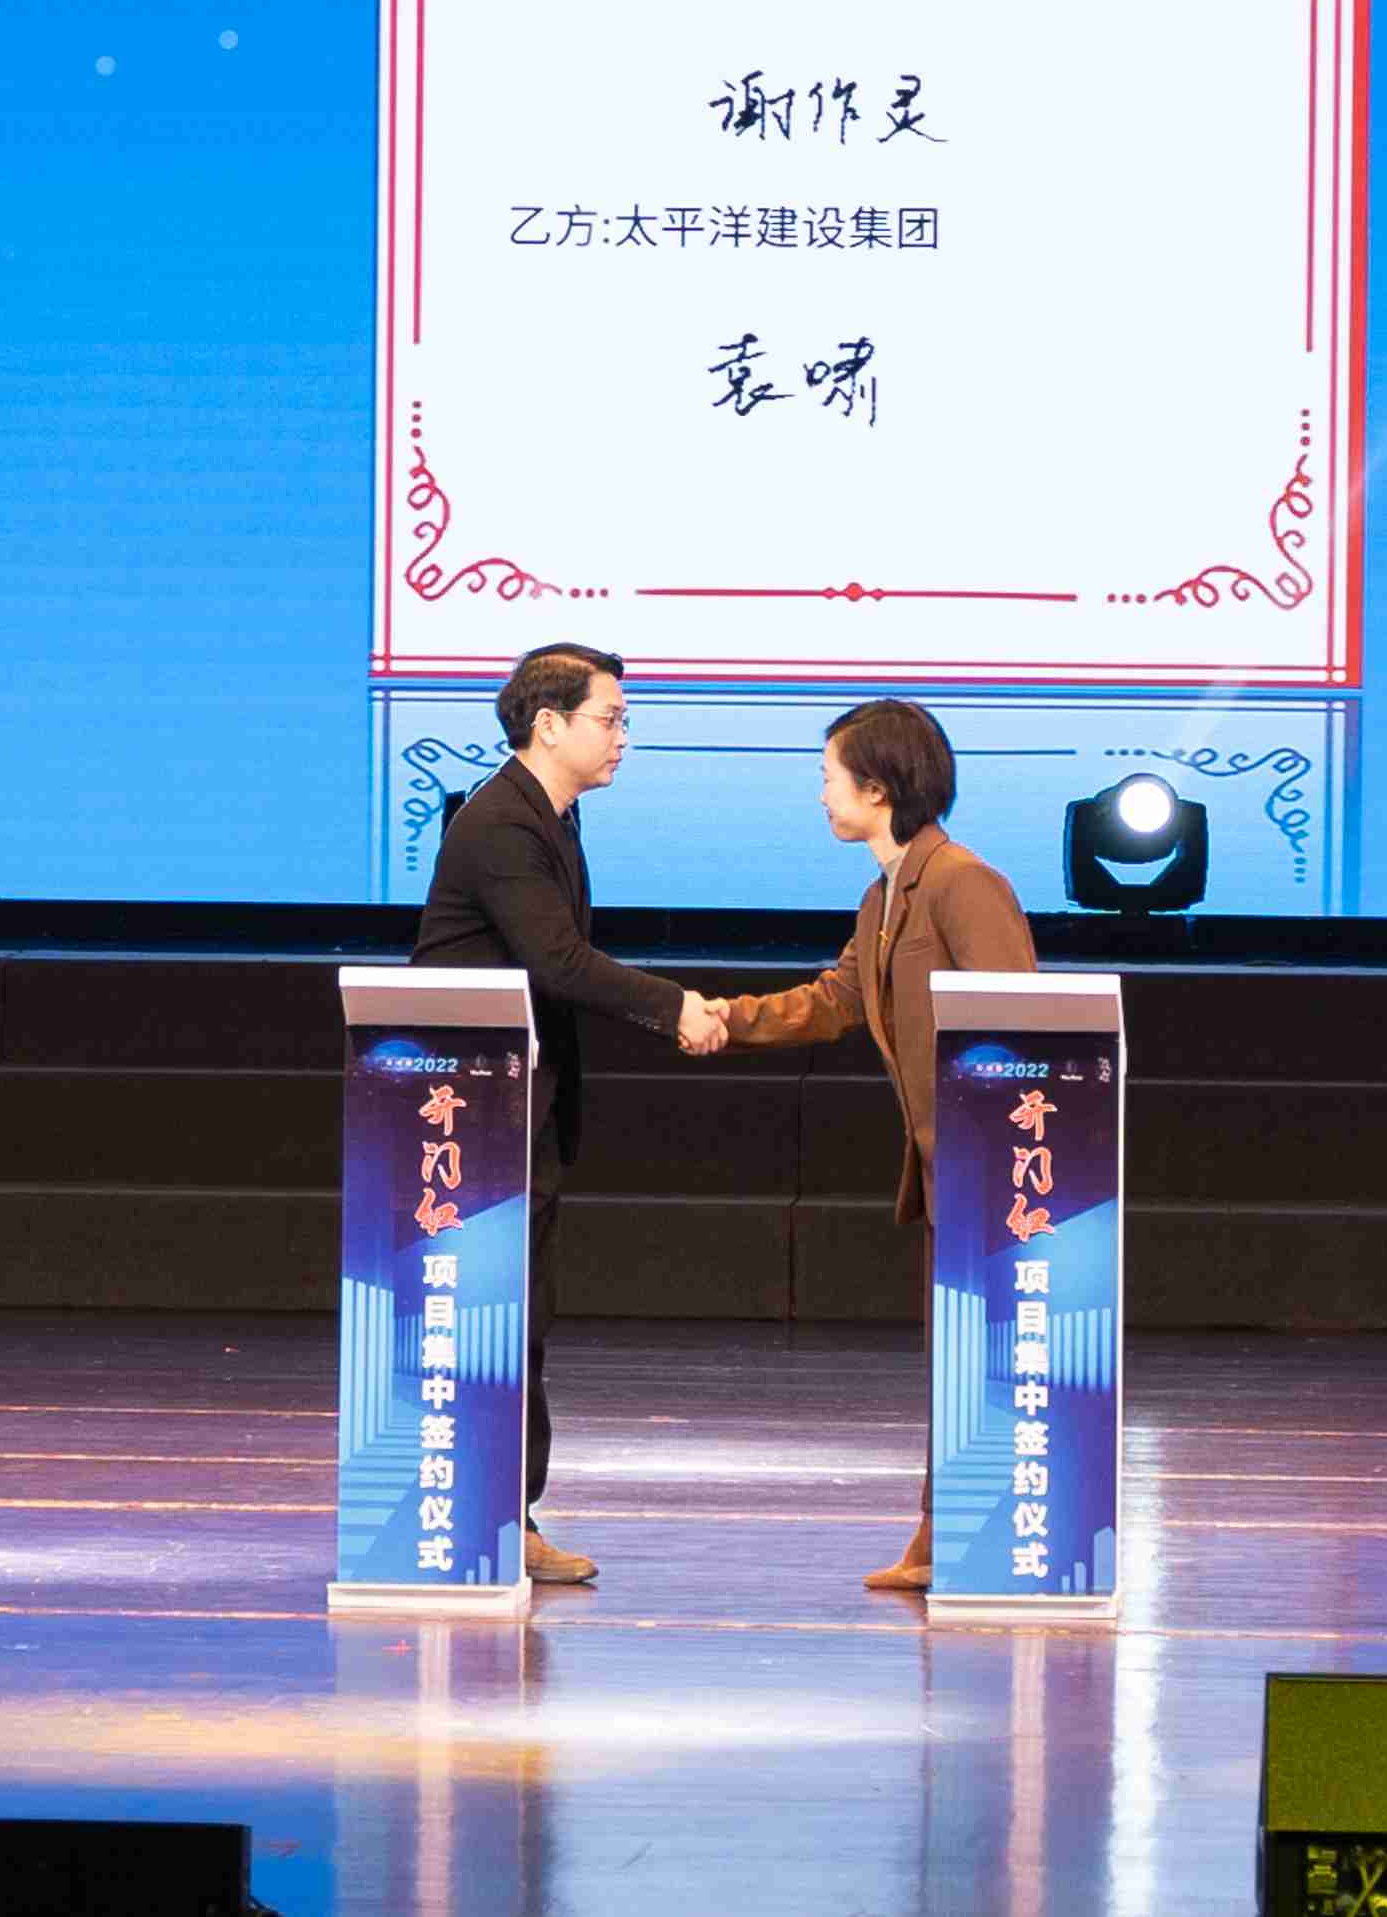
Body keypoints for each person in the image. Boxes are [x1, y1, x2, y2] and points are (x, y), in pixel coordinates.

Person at [409, 640, 724, 1589]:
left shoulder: (552, 815)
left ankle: (506, 1514)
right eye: (611, 718)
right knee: (493, 1314)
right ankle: (488, 1515)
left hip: (515, 1102)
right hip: (472, 1109)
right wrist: (674, 1005)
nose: (623, 736)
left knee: (521, 1314)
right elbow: (559, 962)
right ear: (548, 725)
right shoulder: (504, 823)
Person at [714, 696, 1039, 1595]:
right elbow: (833, 1001)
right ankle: (946, 1530)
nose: (821, 793)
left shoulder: (961, 882)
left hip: (996, 1170)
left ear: (878, 787)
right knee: (959, 1355)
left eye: (829, 776)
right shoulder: (884, 897)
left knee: (991, 1356)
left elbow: (1026, 1025)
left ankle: (982, 1533)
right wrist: (718, 1017)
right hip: (948, 1170)